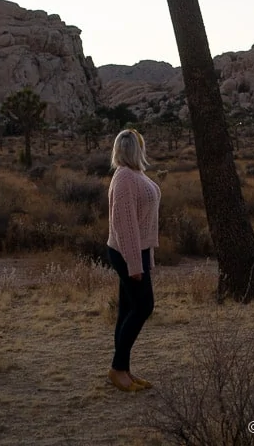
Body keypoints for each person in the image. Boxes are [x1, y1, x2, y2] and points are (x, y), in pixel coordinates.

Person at [106, 128, 161, 392]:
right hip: (128, 251)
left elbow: (140, 221)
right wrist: (134, 264)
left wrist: (145, 257)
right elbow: (124, 225)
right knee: (143, 306)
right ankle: (118, 368)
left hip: (135, 250)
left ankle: (123, 369)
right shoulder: (126, 177)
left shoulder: (135, 174)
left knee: (128, 309)